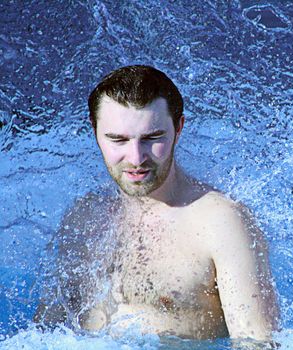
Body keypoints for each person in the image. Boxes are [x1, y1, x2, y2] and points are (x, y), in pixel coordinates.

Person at [34, 65, 279, 342]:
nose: (136, 158)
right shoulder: (84, 217)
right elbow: (45, 334)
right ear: (95, 131)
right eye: (118, 140)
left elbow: (258, 343)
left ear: (178, 128)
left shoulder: (222, 222)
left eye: (152, 139)